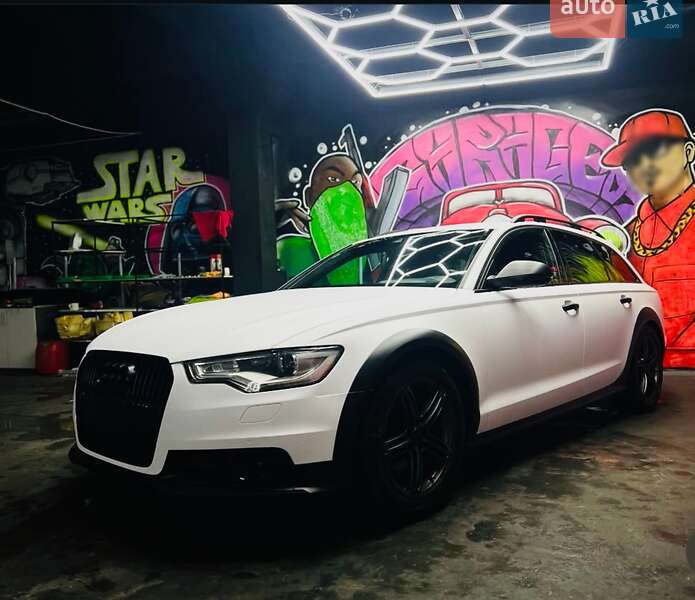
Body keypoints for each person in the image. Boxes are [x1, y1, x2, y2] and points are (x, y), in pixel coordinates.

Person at [602, 109, 695, 368]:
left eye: (655, 150)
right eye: (632, 160)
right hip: (642, 367)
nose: (644, 166)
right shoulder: (629, 234)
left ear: (689, 152)